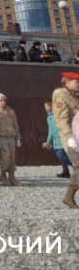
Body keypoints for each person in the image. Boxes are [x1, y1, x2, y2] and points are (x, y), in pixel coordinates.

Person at [51, 71, 79, 208]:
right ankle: (69, 197)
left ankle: (69, 197)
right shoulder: (61, 94)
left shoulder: (74, 95)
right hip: (70, 138)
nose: (78, 84)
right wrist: (69, 138)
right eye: (76, 82)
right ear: (67, 82)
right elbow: (61, 119)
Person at [0, 92, 21, 186]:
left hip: (11, 137)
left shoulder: (11, 111)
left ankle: (12, 176)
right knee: (5, 157)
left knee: (13, 157)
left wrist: (18, 138)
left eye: (4, 100)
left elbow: (15, 125)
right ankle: (3, 175)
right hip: (2, 138)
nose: (3, 102)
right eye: (0, 100)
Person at [43, 101, 71, 178]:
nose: (46, 108)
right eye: (45, 106)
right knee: (61, 157)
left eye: (47, 106)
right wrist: (48, 142)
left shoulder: (57, 116)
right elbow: (50, 131)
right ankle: (66, 172)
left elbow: (59, 128)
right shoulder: (49, 118)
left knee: (63, 156)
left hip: (62, 138)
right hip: (56, 141)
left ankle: (71, 169)